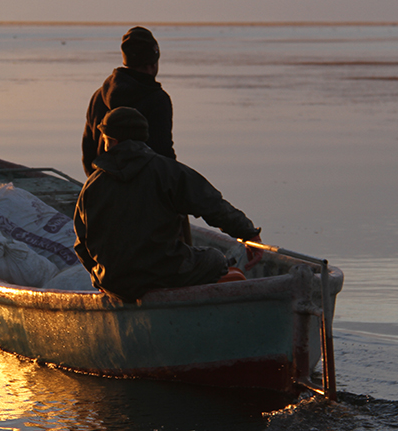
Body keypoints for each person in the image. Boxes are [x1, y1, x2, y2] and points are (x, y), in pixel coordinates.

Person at [74, 107, 263, 302]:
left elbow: (82, 244)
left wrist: (102, 278)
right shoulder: (169, 172)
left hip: (114, 281)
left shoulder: (92, 185)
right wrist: (249, 233)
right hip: (164, 273)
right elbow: (214, 206)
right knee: (215, 259)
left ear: (111, 140)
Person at [81, 26, 175, 177]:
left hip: (103, 183)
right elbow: (162, 152)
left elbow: (88, 152)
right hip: (144, 188)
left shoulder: (99, 95)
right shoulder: (158, 99)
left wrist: (98, 185)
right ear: (152, 64)